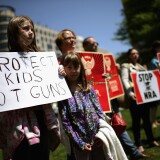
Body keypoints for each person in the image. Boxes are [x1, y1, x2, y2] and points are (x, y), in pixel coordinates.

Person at [0, 16, 60, 160]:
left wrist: (59, 72)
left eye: (32, 29)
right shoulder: (5, 64)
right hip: (18, 124)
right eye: (26, 28)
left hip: (41, 118)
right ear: (14, 33)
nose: (31, 32)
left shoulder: (41, 60)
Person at [83, 37, 150, 159]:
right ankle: (128, 152)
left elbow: (111, 77)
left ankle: (132, 151)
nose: (95, 45)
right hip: (96, 101)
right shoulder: (81, 61)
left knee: (118, 124)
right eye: (92, 43)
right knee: (108, 129)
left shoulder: (102, 59)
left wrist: (114, 70)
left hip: (110, 98)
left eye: (96, 43)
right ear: (85, 45)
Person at [58, 52, 128, 160]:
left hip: (97, 138)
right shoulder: (63, 94)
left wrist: (101, 134)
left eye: (76, 67)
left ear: (81, 68)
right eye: (69, 67)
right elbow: (66, 122)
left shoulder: (88, 88)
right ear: (64, 69)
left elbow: (99, 111)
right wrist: (80, 143)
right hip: (80, 144)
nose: (73, 70)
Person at [121, 48, 159, 153]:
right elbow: (124, 79)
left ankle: (151, 140)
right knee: (136, 121)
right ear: (129, 56)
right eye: (133, 54)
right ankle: (138, 144)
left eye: (137, 53)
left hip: (144, 97)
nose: (135, 55)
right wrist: (130, 93)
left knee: (147, 120)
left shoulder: (142, 67)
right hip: (134, 97)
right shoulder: (126, 66)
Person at [55, 29, 77, 160]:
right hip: (67, 108)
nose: (72, 40)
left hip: (86, 106)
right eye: (68, 38)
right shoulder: (54, 63)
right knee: (73, 143)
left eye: (73, 37)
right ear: (61, 44)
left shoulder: (82, 59)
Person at [149, 40, 160, 128]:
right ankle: (152, 122)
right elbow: (152, 74)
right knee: (154, 105)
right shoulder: (154, 61)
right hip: (155, 85)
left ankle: (155, 120)